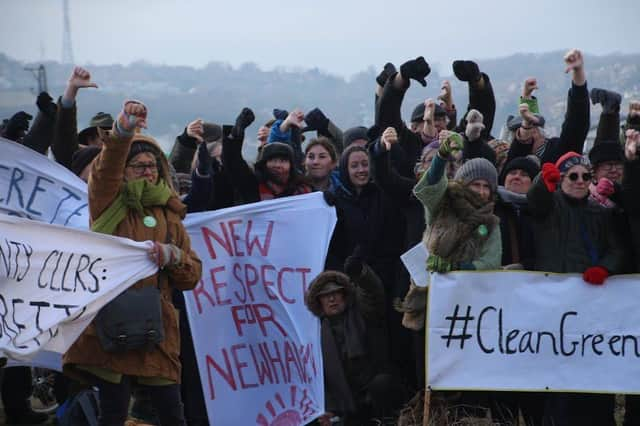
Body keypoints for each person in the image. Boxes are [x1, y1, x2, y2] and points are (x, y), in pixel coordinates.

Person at [62, 100, 202, 426]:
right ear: (124, 171)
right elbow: (106, 165)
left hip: (158, 331)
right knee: (113, 414)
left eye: (152, 165)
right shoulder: (107, 201)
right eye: (137, 165)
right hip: (111, 328)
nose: (146, 171)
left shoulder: (170, 214)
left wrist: (173, 257)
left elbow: (192, 275)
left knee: (172, 415)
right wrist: (124, 127)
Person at [527, 151, 624, 426]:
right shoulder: (551, 207)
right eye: (573, 176)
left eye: (586, 176)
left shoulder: (601, 212)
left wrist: (606, 267)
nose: (580, 181)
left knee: (593, 377)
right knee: (559, 380)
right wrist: (541, 181)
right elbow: (536, 201)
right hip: (554, 309)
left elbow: (618, 249)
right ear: (561, 179)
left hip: (591, 308)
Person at [306, 256, 405, 425]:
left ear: (344, 295)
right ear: (319, 302)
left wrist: (362, 274)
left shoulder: (364, 313)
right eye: (325, 296)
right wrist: (326, 409)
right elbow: (320, 381)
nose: (331, 299)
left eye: (335, 293)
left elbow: (373, 293)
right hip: (348, 406)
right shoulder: (315, 337)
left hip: (378, 396)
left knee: (381, 384)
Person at [506, 49, 590, 165]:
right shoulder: (516, 164)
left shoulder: (559, 151)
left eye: (530, 128)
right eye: (519, 135)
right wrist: (526, 98)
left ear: (538, 132)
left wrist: (578, 77)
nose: (526, 135)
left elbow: (576, 123)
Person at [224, 107, 312, 203]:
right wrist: (235, 135)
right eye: (273, 160)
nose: (277, 165)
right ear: (264, 163)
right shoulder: (252, 186)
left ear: (291, 165)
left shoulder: (302, 191)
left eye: (283, 161)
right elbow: (233, 163)